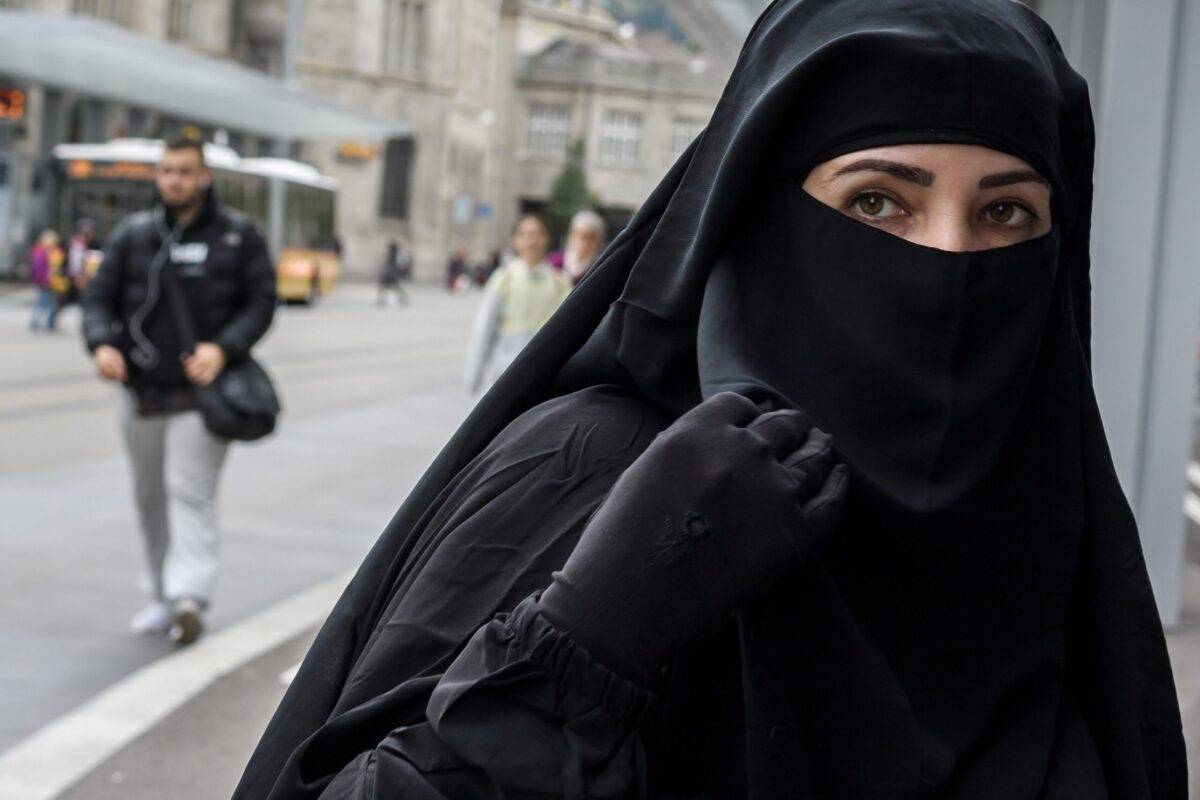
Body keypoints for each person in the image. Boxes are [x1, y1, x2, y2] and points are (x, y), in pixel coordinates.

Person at [234, 1, 1186, 797]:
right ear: (760, 212)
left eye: (1005, 211)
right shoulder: (597, 472)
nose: (946, 260)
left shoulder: (1044, 525)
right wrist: (589, 640)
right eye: (878, 202)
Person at [82, 136, 275, 645]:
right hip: (139, 392)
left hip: (200, 396)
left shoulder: (237, 236)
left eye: (185, 171)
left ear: (203, 177)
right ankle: (161, 598)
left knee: (189, 492)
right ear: (157, 176)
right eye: (167, 171)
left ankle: (190, 595)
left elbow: (262, 302)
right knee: (149, 496)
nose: (174, 180)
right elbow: (98, 300)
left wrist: (223, 348)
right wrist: (102, 345)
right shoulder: (133, 235)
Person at [463, 214, 572, 394]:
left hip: (545, 378)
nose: (532, 241)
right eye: (526, 235)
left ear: (546, 239)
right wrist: (474, 377)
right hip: (505, 373)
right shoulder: (503, 279)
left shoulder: (560, 283)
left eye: (537, 234)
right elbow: (483, 329)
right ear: (516, 240)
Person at [549, 209, 607, 284]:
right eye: (581, 236)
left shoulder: (600, 267)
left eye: (591, 238)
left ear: (599, 241)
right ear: (571, 236)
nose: (585, 243)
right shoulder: (554, 262)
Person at [27, 230, 64, 332]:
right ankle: (35, 322)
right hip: (43, 282)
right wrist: (45, 278)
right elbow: (39, 268)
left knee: (50, 303)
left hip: (51, 281)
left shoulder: (52, 251)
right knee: (42, 302)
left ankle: (49, 323)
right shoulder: (40, 252)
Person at [376, 240, 411, 307]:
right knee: (394, 289)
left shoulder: (392, 256)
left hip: (389, 275)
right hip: (391, 275)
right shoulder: (393, 256)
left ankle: (382, 301)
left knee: (388, 289)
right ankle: (402, 299)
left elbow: (391, 266)